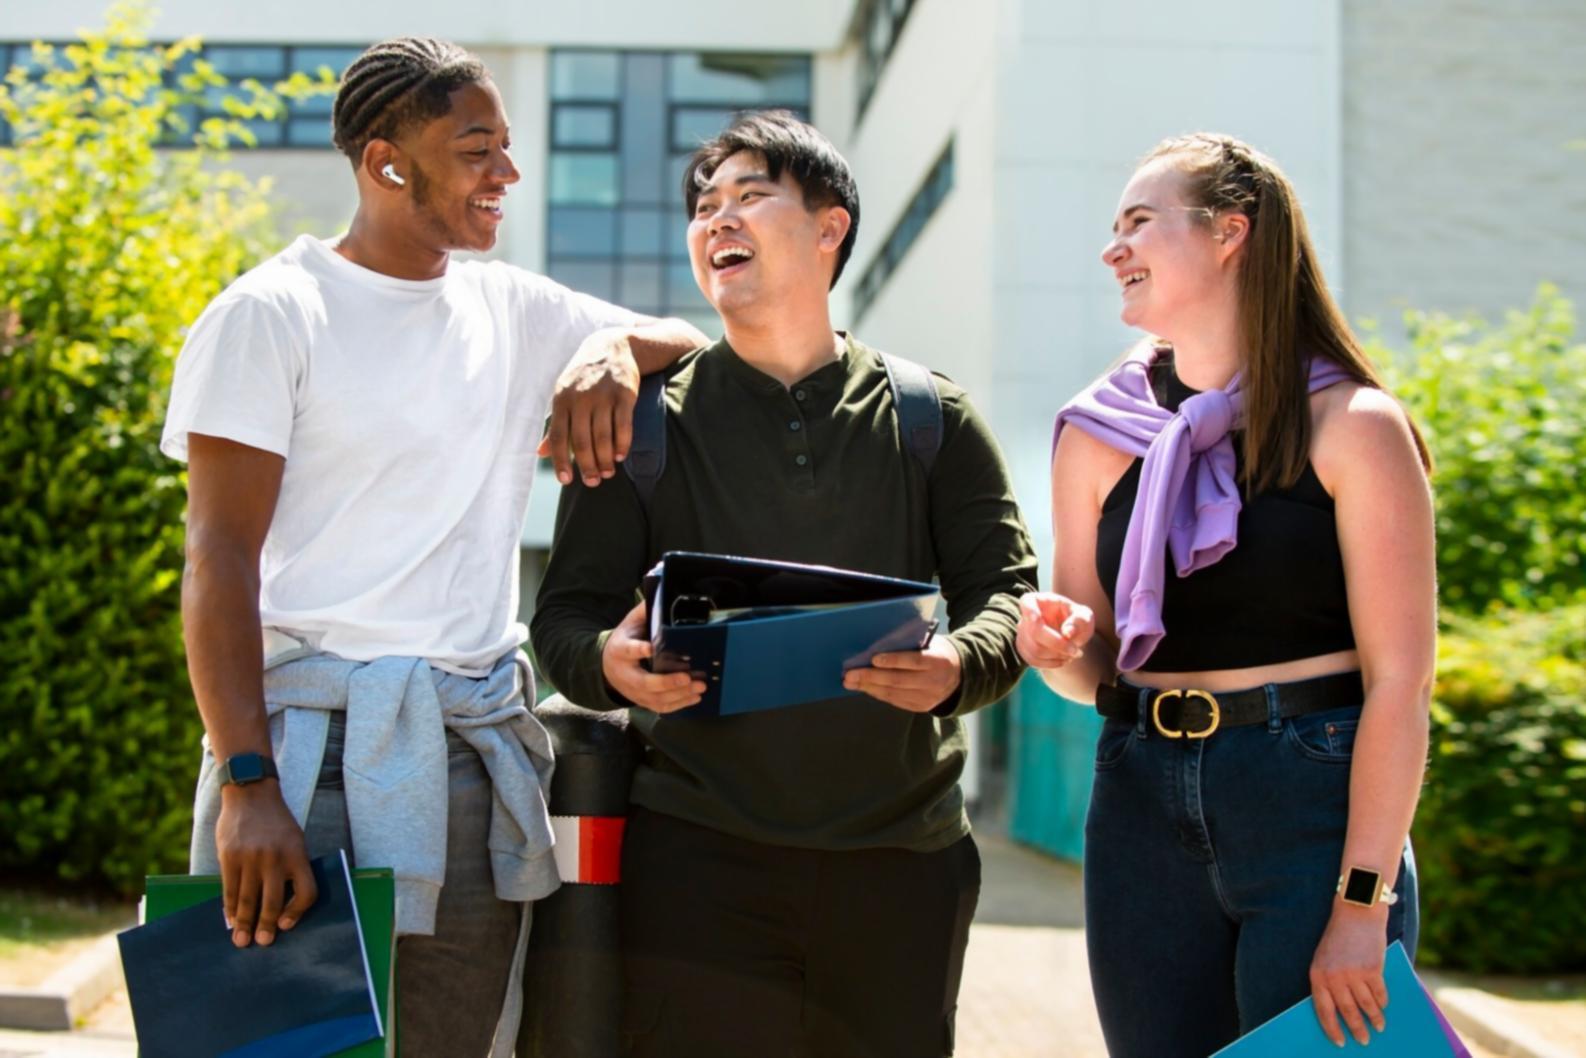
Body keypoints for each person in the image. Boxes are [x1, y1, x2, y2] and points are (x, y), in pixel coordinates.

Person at [161, 37, 706, 1058]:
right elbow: (217, 558)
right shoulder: (269, 315)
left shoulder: (516, 308)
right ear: (385, 162)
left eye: (506, 146)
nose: (506, 172)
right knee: (279, 1047)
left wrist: (604, 345)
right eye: (475, 149)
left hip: (465, 755)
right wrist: (247, 786)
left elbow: (692, 339)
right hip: (302, 754)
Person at [531, 111, 1038, 1058]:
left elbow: (1006, 590)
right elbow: (561, 615)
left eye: (750, 194)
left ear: (829, 227)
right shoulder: (642, 425)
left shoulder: (933, 417)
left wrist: (958, 665)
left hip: (905, 862)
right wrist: (609, 662)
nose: (717, 218)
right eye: (703, 205)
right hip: (693, 859)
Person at [1015, 132, 1436, 1057]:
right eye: (1111, 227)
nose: (1111, 249)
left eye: (1138, 223)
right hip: (1135, 801)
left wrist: (1363, 906)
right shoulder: (1096, 433)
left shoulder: (1353, 425)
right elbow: (1091, 671)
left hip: (1309, 800)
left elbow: (1402, 683)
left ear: (1229, 234)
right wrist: (1053, 650)